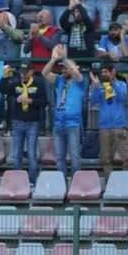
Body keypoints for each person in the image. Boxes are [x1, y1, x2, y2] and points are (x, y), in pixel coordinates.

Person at [43, 46, 86, 177]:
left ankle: (76, 184)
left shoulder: (80, 81)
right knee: (60, 158)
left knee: (74, 156)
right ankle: (62, 184)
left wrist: (65, 58)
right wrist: (53, 60)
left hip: (73, 124)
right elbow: (44, 73)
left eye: (66, 67)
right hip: (59, 123)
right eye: (62, 67)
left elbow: (75, 73)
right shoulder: (60, 80)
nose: (64, 69)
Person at [4, 63, 47, 180]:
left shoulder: (38, 84)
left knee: (32, 154)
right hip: (17, 121)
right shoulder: (16, 83)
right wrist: (5, 78)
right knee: (16, 154)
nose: (22, 74)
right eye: (21, 72)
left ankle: (33, 180)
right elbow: (4, 90)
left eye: (25, 72)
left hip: (33, 122)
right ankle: (18, 181)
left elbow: (44, 102)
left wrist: (30, 100)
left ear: (31, 71)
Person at [89, 65, 128, 176]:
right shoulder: (100, 86)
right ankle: (109, 181)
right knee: (106, 157)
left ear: (113, 72)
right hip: (104, 127)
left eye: (106, 71)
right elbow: (93, 102)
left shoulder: (122, 84)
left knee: (126, 156)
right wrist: (96, 88)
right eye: (102, 72)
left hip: (119, 126)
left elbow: (123, 98)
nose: (103, 74)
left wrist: (113, 83)